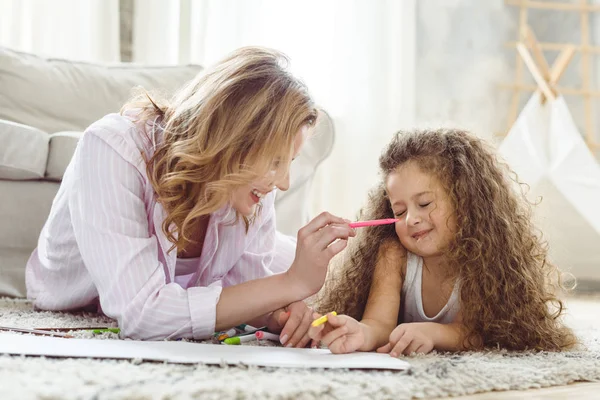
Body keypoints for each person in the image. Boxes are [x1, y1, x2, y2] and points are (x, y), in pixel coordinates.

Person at [26, 47, 355, 345]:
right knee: (296, 271)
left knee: (339, 268)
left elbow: (247, 285)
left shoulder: (249, 186)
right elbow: (142, 314)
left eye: (289, 162)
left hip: (188, 283)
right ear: (230, 140)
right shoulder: (111, 148)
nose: (283, 182)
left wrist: (277, 313)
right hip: (79, 294)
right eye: (274, 162)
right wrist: (290, 285)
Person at [309, 128, 577, 355]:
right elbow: (378, 323)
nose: (412, 218)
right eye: (399, 212)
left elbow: (482, 334)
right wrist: (362, 333)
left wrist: (434, 334)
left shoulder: (480, 257)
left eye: (424, 203)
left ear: (465, 200)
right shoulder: (394, 254)